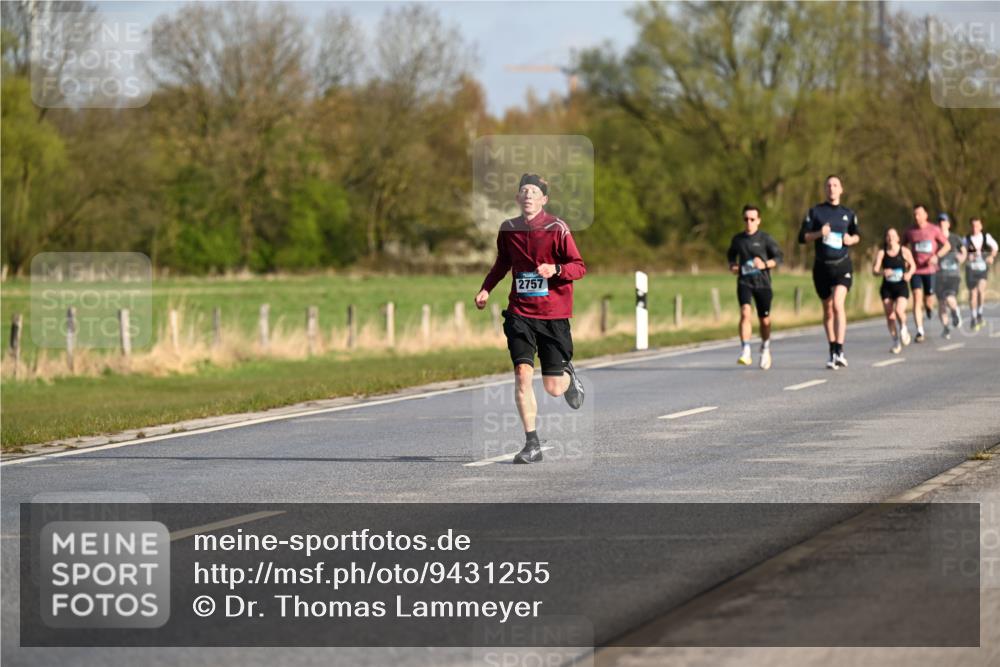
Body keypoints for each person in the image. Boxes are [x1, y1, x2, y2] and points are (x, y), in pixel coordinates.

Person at [475, 173, 586, 465]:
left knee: (553, 388)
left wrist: (556, 270)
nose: (528, 196)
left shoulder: (557, 228)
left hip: (553, 315)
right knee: (523, 375)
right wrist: (486, 288)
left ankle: (568, 375)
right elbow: (502, 263)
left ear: (544, 199)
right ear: (517, 198)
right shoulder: (508, 229)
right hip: (520, 313)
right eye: (524, 191)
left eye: (534, 192)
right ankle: (531, 443)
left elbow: (579, 266)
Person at [798, 174, 861, 369]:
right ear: (825, 190)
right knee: (827, 309)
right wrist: (819, 234)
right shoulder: (816, 212)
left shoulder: (848, 213)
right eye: (828, 185)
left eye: (835, 185)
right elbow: (802, 237)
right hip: (821, 267)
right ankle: (832, 348)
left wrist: (851, 240)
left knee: (837, 305)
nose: (832, 188)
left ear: (841, 189)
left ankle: (840, 350)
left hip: (842, 266)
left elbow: (857, 235)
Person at [726, 204, 783, 369]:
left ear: (758, 221)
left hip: (763, 284)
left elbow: (779, 258)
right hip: (745, 282)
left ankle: (765, 347)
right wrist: (733, 266)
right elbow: (731, 255)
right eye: (746, 219)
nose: (749, 222)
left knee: (764, 320)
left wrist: (764, 264)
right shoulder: (738, 240)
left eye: (752, 219)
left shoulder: (766, 239)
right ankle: (745, 350)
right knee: (745, 313)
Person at [902, 205, 950, 343]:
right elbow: (903, 247)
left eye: (919, 214)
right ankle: (920, 331)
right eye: (914, 214)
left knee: (929, 299)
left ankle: (928, 308)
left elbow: (947, 246)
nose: (916, 217)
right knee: (917, 297)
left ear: (925, 215)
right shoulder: (909, 231)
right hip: (915, 270)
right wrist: (906, 260)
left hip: (930, 270)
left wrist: (936, 256)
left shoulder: (934, 229)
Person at [872, 228, 915, 353]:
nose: (890, 238)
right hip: (887, 288)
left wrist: (909, 274)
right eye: (888, 236)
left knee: (899, 311)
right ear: (886, 239)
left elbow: (913, 265)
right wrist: (882, 272)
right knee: (890, 316)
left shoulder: (904, 251)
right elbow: (874, 271)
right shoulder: (882, 253)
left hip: (901, 286)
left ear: (898, 238)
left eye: (893, 235)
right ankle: (896, 341)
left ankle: (904, 328)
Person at [964, 217, 998, 330]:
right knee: (973, 293)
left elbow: (995, 247)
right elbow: (962, 253)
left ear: (981, 226)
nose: (975, 228)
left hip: (982, 268)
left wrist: (991, 257)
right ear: (970, 226)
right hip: (971, 269)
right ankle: (973, 317)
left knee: (980, 290)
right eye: (973, 226)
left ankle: (980, 313)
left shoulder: (985, 237)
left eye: (977, 226)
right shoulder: (966, 239)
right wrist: (967, 257)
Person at [935, 213, 966, 339]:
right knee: (941, 304)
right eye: (940, 221)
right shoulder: (935, 239)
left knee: (949, 298)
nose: (942, 223)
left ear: (948, 224)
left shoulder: (955, 238)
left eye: (944, 221)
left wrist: (961, 258)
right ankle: (946, 328)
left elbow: (964, 251)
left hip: (953, 274)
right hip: (939, 275)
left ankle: (955, 312)